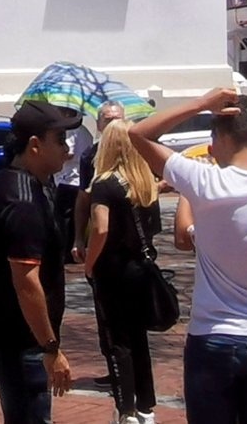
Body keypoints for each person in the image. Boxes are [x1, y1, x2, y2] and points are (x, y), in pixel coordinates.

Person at [128, 87, 247, 424]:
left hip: (213, 337)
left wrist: (203, 103)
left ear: (220, 136)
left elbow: (139, 134)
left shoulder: (204, 181)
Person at [0, 101, 82, 424]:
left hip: (6, 341)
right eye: (59, 139)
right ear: (34, 145)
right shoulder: (22, 199)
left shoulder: (10, 183)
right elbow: (26, 280)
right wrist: (50, 348)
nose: (66, 147)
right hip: (20, 345)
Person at [83, 117, 165, 424]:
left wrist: (89, 265)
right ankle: (146, 406)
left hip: (113, 272)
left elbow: (101, 229)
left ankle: (126, 409)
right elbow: (154, 227)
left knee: (117, 343)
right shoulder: (144, 183)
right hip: (140, 269)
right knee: (138, 338)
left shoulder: (104, 184)